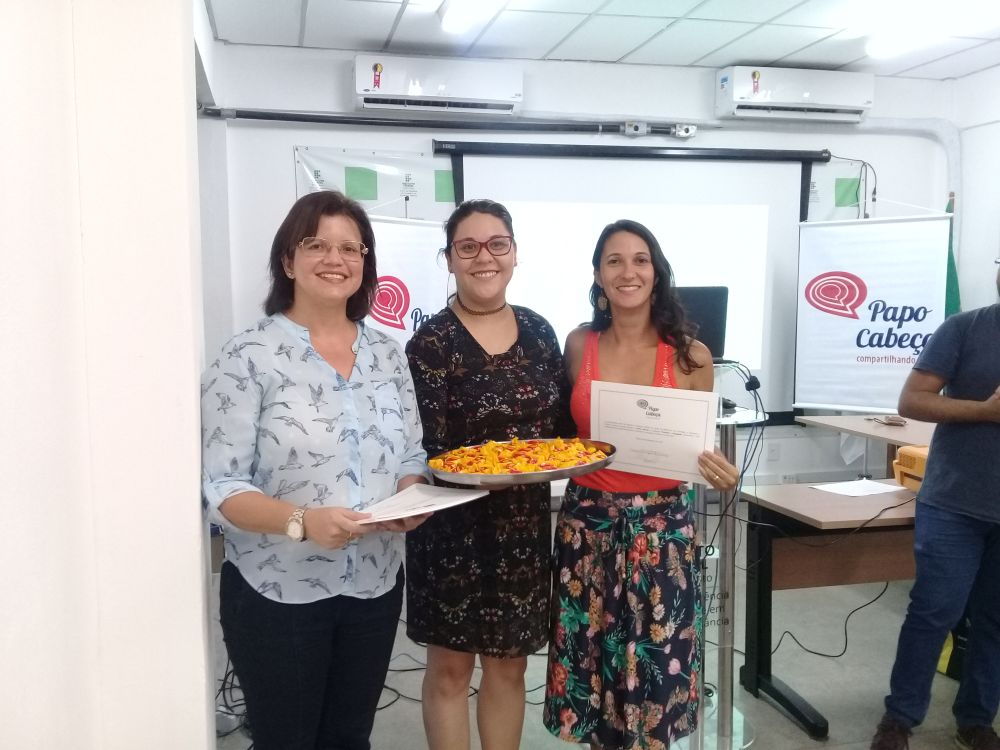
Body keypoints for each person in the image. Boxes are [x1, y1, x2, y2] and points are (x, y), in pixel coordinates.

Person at [201, 190, 430, 750]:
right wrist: (301, 521)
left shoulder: (388, 354)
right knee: (286, 740)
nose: (336, 259)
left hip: (374, 583)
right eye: (316, 245)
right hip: (276, 591)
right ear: (288, 260)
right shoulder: (246, 356)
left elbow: (411, 454)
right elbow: (221, 486)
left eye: (351, 248)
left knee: (350, 737)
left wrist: (411, 498)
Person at [543, 219, 740, 749]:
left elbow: (699, 448)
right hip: (587, 528)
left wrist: (720, 469)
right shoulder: (577, 345)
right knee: (593, 668)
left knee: (654, 672)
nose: (627, 271)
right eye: (614, 260)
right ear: (597, 276)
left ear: (656, 273)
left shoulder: (691, 356)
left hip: (661, 534)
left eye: (640, 260)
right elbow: (568, 435)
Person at [404, 199, 574, 750]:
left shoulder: (540, 331)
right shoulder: (431, 342)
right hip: (449, 527)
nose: (484, 257)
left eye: (497, 244)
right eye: (468, 247)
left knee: (509, 667)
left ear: (515, 253)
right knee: (450, 670)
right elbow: (423, 447)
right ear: (450, 259)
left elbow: (562, 431)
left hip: (522, 527)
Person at [869, 262, 1000, 750]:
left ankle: (977, 720)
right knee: (934, 612)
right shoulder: (965, 328)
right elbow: (912, 401)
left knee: (995, 621)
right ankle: (899, 720)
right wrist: (985, 411)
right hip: (955, 503)